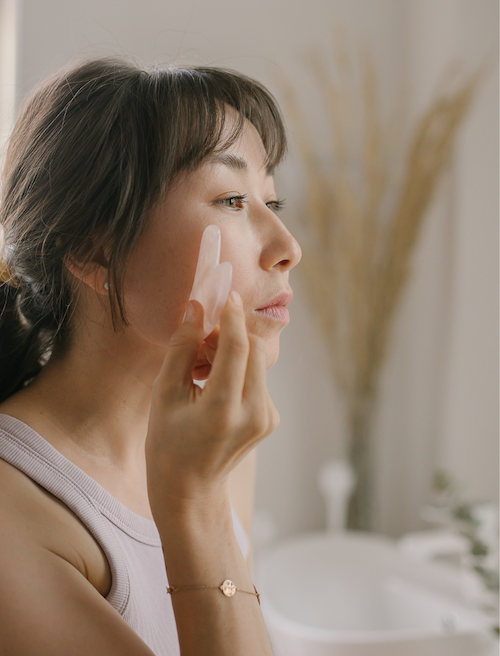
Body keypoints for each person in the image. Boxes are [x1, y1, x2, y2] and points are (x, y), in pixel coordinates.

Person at [0, 57, 302, 655]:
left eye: (273, 202)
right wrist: (194, 502)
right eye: (232, 199)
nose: (287, 247)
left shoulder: (215, 444)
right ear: (93, 251)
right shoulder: (15, 518)